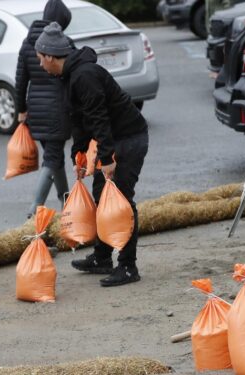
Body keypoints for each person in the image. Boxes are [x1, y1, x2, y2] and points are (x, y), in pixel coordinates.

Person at [35, 22, 149, 287]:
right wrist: (79, 153)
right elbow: (80, 118)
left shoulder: (84, 75)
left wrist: (107, 158)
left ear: (51, 57)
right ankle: (102, 257)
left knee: (120, 201)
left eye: (41, 59)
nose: (40, 64)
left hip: (129, 138)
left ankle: (128, 266)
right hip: (114, 138)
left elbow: (99, 118)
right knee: (101, 194)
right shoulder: (70, 75)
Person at [15, 0, 74, 219]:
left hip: (36, 112)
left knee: (54, 158)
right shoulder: (65, 44)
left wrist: (21, 110)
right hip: (58, 113)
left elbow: (20, 81)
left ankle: (66, 203)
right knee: (52, 160)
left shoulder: (27, 42)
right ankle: (33, 212)